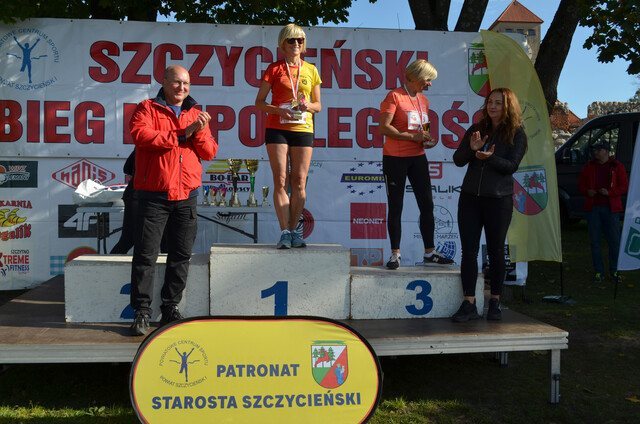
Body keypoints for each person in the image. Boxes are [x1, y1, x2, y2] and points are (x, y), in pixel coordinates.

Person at [128, 65, 218, 336]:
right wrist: (182, 133)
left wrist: (198, 131)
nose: (182, 88)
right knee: (145, 255)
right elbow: (141, 136)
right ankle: (142, 312)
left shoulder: (195, 113)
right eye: (177, 82)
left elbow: (210, 152)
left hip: (186, 195)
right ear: (164, 82)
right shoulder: (147, 108)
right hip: (153, 195)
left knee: (180, 256)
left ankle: (170, 307)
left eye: (186, 83)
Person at [451, 87, 527, 322]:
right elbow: (458, 159)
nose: (492, 106)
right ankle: (469, 303)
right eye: (490, 102)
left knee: (496, 251)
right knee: (469, 251)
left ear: (508, 107)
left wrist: (490, 158)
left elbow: (511, 166)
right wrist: (472, 149)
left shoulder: (517, 133)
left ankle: (495, 301)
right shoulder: (476, 129)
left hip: (499, 200)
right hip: (470, 198)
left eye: (498, 103)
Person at [378, 59, 453, 270]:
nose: (430, 84)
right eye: (427, 79)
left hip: (418, 157)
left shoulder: (423, 100)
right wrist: (412, 137)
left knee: (427, 204)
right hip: (395, 158)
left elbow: (424, 131)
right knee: (396, 206)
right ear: (415, 77)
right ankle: (395, 254)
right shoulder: (394, 96)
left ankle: (430, 252)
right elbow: (384, 128)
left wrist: (427, 140)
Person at [255, 23, 322, 249]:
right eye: (291, 40)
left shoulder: (311, 69)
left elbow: (318, 105)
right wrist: (278, 110)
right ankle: (284, 231)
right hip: (277, 128)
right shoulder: (274, 69)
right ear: (282, 44)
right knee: (281, 179)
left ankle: (294, 231)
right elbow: (259, 102)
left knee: (300, 181)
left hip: (303, 129)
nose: (296, 44)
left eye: (300, 40)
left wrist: (307, 106)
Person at [578, 142, 628, 284]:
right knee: (595, 241)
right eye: (595, 150)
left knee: (614, 241)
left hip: (611, 209)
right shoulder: (589, 167)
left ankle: (614, 270)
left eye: (598, 150)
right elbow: (581, 185)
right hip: (593, 208)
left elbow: (624, 186)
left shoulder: (617, 166)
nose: (595, 152)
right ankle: (599, 271)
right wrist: (587, 191)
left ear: (606, 151)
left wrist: (609, 192)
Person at [109, 149, 168, 255]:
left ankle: (166, 266)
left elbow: (127, 168)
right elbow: (128, 168)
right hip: (138, 195)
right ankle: (108, 265)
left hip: (162, 197)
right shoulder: (147, 144)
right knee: (129, 238)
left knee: (166, 239)